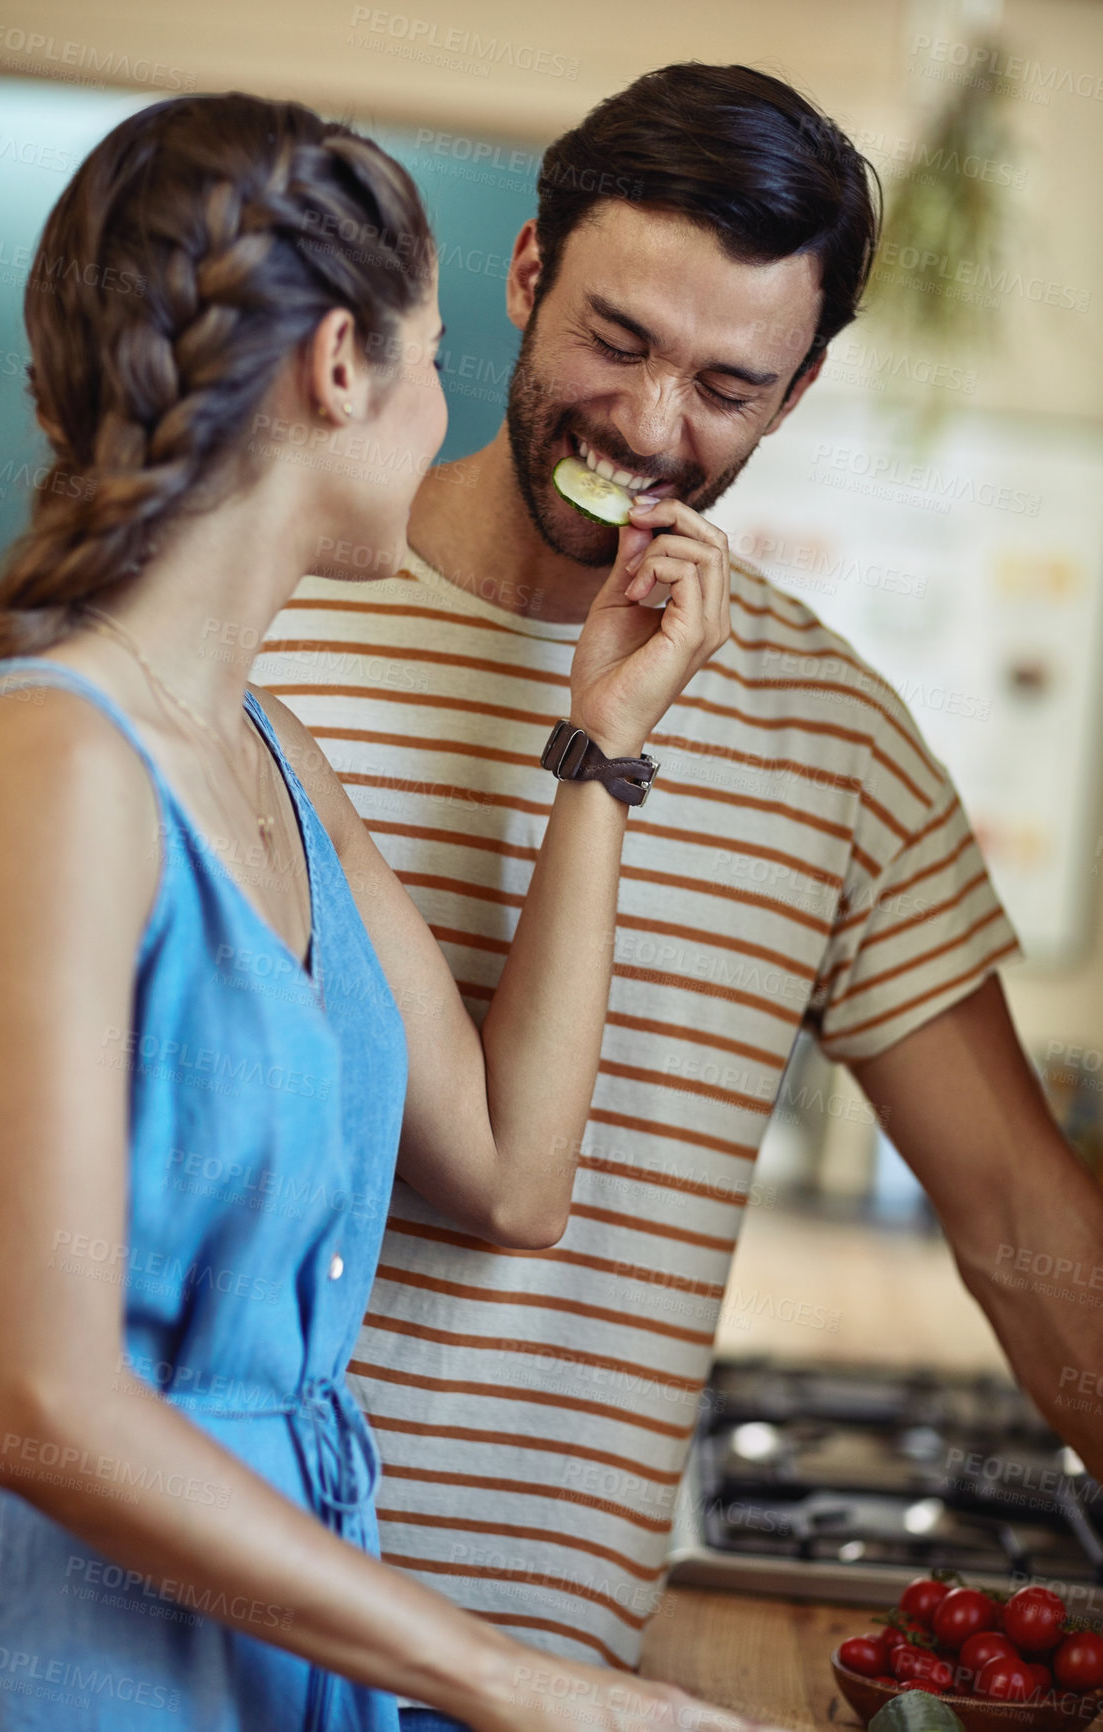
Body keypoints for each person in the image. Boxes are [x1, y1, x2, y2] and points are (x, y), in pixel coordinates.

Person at [252, 61, 1103, 1726]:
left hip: (559, 1689)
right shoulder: (261, 621)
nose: (649, 430)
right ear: (522, 275)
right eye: (617, 343)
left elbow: (1016, 1219)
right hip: (206, 1622)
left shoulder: (834, 738)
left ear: (796, 391)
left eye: (727, 383)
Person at [0, 90, 757, 1732]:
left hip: (286, 1676)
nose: (445, 407)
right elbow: (37, 1401)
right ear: (339, 366)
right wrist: (527, 1689)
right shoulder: (45, 759)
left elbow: (515, 1173)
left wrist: (602, 745)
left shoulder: (272, 757)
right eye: (438, 352)